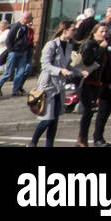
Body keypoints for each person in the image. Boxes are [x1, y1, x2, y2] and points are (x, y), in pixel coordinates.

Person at [29, 20, 76, 148]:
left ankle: (49, 145)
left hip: (59, 86)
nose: (75, 32)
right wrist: (60, 70)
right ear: (65, 30)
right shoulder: (51, 45)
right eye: (73, 29)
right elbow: (45, 65)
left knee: (54, 121)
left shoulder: (69, 45)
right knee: (47, 118)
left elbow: (67, 65)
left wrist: (79, 71)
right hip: (48, 85)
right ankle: (33, 142)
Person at [75, 21, 109, 147]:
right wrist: (101, 49)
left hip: (96, 83)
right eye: (101, 31)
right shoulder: (89, 44)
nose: (104, 34)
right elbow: (88, 61)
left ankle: (85, 138)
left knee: (90, 112)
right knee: (87, 112)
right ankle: (82, 138)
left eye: (106, 31)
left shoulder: (102, 45)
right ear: (94, 33)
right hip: (86, 83)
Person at [0, 11, 35, 97]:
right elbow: (9, 39)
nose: (31, 20)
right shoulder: (16, 26)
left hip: (23, 52)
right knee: (9, 72)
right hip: (14, 52)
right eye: (30, 18)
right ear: (26, 18)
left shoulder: (26, 28)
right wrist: (11, 50)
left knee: (20, 72)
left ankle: (15, 90)